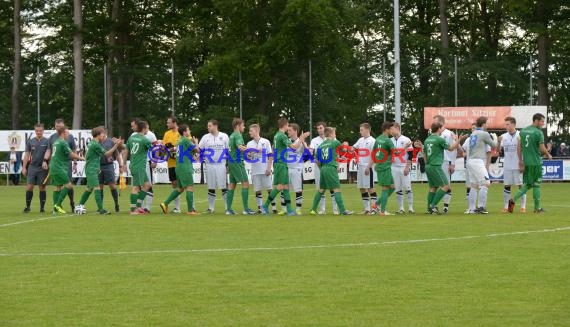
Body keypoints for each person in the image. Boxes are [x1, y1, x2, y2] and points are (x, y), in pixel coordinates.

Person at [260, 117, 309, 215]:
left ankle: (290, 210)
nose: (288, 128)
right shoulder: (282, 136)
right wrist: (302, 138)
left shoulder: (276, 135)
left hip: (281, 163)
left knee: (285, 187)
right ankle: (265, 206)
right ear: (285, 125)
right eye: (288, 126)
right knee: (281, 186)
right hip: (281, 163)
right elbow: (294, 147)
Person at [509, 113, 552, 213]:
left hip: (527, 162)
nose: (543, 123)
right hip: (536, 162)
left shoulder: (523, 131)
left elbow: (519, 147)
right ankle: (537, 208)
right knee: (537, 184)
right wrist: (548, 154)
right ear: (536, 120)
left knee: (528, 185)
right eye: (541, 121)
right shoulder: (538, 132)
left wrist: (521, 160)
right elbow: (541, 148)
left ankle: (513, 200)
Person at [421, 122, 467, 214]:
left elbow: (424, 154)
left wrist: (427, 164)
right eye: (441, 128)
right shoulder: (439, 139)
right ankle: (432, 206)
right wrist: (458, 140)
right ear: (439, 129)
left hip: (428, 166)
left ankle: (429, 209)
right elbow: (451, 148)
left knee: (433, 187)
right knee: (446, 186)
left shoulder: (427, 140)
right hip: (435, 166)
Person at [76, 127, 122, 215]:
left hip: (92, 168)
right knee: (97, 188)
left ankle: (80, 204)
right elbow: (107, 154)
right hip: (92, 169)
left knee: (89, 188)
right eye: (102, 134)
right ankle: (101, 210)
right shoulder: (95, 145)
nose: (104, 135)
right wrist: (116, 145)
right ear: (98, 135)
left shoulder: (92, 143)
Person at [309, 127, 352, 215]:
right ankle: (343, 210)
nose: (335, 135)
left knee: (321, 190)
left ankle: (313, 209)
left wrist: (321, 168)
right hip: (331, 168)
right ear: (331, 134)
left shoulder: (320, 146)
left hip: (323, 169)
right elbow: (344, 149)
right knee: (336, 189)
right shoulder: (335, 142)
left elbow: (316, 160)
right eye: (334, 133)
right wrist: (346, 146)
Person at [160, 124, 199, 215]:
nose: (190, 131)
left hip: (178, 167)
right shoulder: (186, 140)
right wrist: (195, 142)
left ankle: (165, 203)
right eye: (188, 130)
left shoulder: (179, 141)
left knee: (180, 188)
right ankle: (190, 211)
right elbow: (197, 150)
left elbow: (190, 152)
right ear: (185, 132)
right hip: (185, 167)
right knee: (190, 187)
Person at [465, 117, 497, 214]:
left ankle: (471, 209)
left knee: (474, 185)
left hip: (470, 160)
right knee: (486, 183)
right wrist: (495, 138)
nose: (487, 125)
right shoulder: (484, 133)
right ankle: (481, 207)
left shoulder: (473, 133)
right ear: (483, 124)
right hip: (477, 161)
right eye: (487, 123)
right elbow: (494, 145)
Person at [50, 126, 84, 214]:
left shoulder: (56, 142)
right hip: (58, 167)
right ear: (63, 133)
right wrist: (82, 158)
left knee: (58, 187)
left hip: (53, 166)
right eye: (67, 133)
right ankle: (57, 205)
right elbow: (71, 154)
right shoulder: (63, 142)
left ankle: (55, 209)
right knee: (68, 185)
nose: (68, 135)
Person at [198, 119, 230, 213]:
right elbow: (199, 149)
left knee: (224, 186)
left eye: (210, 125)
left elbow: (227, 151)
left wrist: (228, 164)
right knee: (211, 186)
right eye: (208, 126)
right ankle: (210, 208)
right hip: (209, 165)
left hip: (221, 164)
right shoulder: (205, 137)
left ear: (215, 126)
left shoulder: (224, 136)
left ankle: (227, 207)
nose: (208, 127)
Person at [226, 118, 256, 215]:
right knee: (245, 183)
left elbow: (234, 150)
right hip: (237, 162)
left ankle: (229, 209)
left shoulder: (231, 136)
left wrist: (246, 154)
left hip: (232, 162)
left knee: (232, 185)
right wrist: (251, 149)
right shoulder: (238, 135)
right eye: (243, 125)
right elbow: (239, 147)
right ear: (238, 126)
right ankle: (246, 209)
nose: (244, 127)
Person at [246, 124, 277, 214]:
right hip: (255, 170)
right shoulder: (249, 143)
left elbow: (270, 155)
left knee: (269, 189)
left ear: (256, 131)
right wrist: (249, 155)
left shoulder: (265, 141)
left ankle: (274, 208)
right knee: (257, 190)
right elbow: (248, 158)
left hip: (265, 169)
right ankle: (260, 209)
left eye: (251, 131)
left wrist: (268, 167)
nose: (249, 132)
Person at [124, 120, 153, 215]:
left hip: (134, 165)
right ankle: (133, 210)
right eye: (147, 129)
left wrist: (124, 164)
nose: (147, 130)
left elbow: (126, 151)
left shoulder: (131, 138)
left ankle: (138, 206)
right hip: (139, 166)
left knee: (147, 185)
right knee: (136, 188)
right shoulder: (145, 140)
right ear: (143, 129)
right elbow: (154, 149)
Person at [497, 117, 526, 213]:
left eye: (508, 124)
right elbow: (498, 151)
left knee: (520, 186)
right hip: (507, 166)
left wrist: (523, 163)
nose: (506, 126)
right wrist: (498, 142)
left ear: (514, 124)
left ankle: (523, 207)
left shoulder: (520, 135)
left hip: (518, 165)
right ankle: (506, 207)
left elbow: (525, 151)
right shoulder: (503, 136)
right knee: (506, 186)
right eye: (505, 124)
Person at [48, 118, 77, 211]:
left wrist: (75, 162)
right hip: (58, 165)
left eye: (59, 126)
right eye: (56, 126)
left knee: (65, 186)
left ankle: (69, 204)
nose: (58, 128)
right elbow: (49, 150)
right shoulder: (54, 138)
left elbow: (73, 149)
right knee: (66, 185)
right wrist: (45, 160)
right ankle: (57, 206)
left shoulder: (68, 137)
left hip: (65, 164)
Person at [309, 122, 338, 214]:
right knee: (320, 188)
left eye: (321, 128)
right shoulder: (314, 140)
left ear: (325, 129)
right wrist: (309, 152)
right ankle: (322, 210)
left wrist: (337, 165)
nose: (319, 130)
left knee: (333, 188)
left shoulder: (333, 139)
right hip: (318, 167)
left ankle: (335, 210)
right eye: (317, 128)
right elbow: (311, 152)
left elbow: (337, 153)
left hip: (330, 166)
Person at [369, 121, 397, 216]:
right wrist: (406, 147)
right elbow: (396, 152)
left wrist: (376, 163)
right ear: (387, 130)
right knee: (385, 188)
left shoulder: (378, 139)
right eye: (391, 129)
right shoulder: (388, 140)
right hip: (385, 166)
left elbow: (374, 153)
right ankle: (382, 211)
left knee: (393, 187)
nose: (393, 131)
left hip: (381, 165)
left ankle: (375, 205)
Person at [21, 123, 50, 213]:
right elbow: (26, 155)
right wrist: (24, 167)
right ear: (35, 131)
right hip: (32, 167)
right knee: (29, 187)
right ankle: (28, 207)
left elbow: (49, 152)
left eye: (40, 130)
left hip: (42, 168)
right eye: (37, 131)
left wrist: (48, 163)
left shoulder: (47, 141)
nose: (38, 132)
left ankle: (42, 208)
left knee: (42, 187)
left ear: (43, 131)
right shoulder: (30, 141)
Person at [432, 115, 458, 213]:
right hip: (435, 162)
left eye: (435, 122)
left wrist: (453, 163)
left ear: (441, 122)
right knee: (435, 185)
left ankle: (445, 207)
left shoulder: (449, 133)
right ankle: (433, 206)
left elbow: (453, 149)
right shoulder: (434, 134)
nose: (433, 123)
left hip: (446, 162)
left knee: (446, 185)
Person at [280, 123, 306, 215]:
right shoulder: (286, 141)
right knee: (284, 189)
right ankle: (284, 209)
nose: (288, 131)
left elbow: (308, 154)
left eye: (290, 130)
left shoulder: (301, 141)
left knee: (298, 190)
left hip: (297, 169)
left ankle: (298, 209)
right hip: (287, 168)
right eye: (288, 130)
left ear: (295, 131)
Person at [351, 123, 377, 214]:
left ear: (367, 130)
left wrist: (368, 167)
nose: (360, 131)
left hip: (368, 166)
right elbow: (353, 148)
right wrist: (349, 148)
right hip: (360, 166)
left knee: (370, 187)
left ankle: (375, 208)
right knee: (362, 187)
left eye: (361, 129)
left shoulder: (373, 141)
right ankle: (367, 209)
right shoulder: (360, 140)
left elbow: (374, 156)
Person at [98, 127, 124, 213]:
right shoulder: (96, 141)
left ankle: (116, 204)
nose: (100, 134)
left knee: (112, 185)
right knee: (100, 186)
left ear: (105, 132)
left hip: (108, 166)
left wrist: (120, 165)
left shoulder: (110, 141)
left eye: (101, 132)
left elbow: (117, 154)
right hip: (98, 166)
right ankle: (100, 206)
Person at [391, 123, 414, 214]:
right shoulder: (390, 140)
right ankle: (401, 208)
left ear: (397, 128)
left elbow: (411, 154)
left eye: (392, 129)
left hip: (404, 166)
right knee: (398, 188)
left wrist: (407, 167)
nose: (391, 131)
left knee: (408, 187)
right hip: (394, 167)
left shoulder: (406, 139)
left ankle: (411, 208)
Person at [163, 116, 182, 213]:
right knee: (174, 184)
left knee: (184, 184)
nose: (167, 124)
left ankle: (192, 206)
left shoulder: (182, 132)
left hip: (180, 163)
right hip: (170, 163)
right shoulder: (167, 134)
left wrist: (174, 148)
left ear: (174, 123)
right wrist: (167, 149)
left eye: (169, 122)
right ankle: (177, 207)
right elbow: (164, 147)